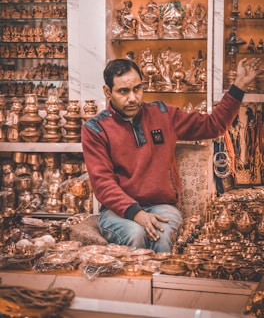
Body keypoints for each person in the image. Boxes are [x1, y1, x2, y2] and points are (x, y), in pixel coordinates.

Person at [81, 57, 261, 253]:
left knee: (163, 233)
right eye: (123, 91)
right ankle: (133, 284)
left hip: (161, 206)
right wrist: (137, 214)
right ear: (108, 92)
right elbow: (103, 183)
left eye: (137, 89)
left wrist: (239, 86)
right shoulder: (95, 129)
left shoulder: (163, 114)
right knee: (135, 233)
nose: (132, 98)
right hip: (118, 211)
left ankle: (161, 283)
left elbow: (213, 125)